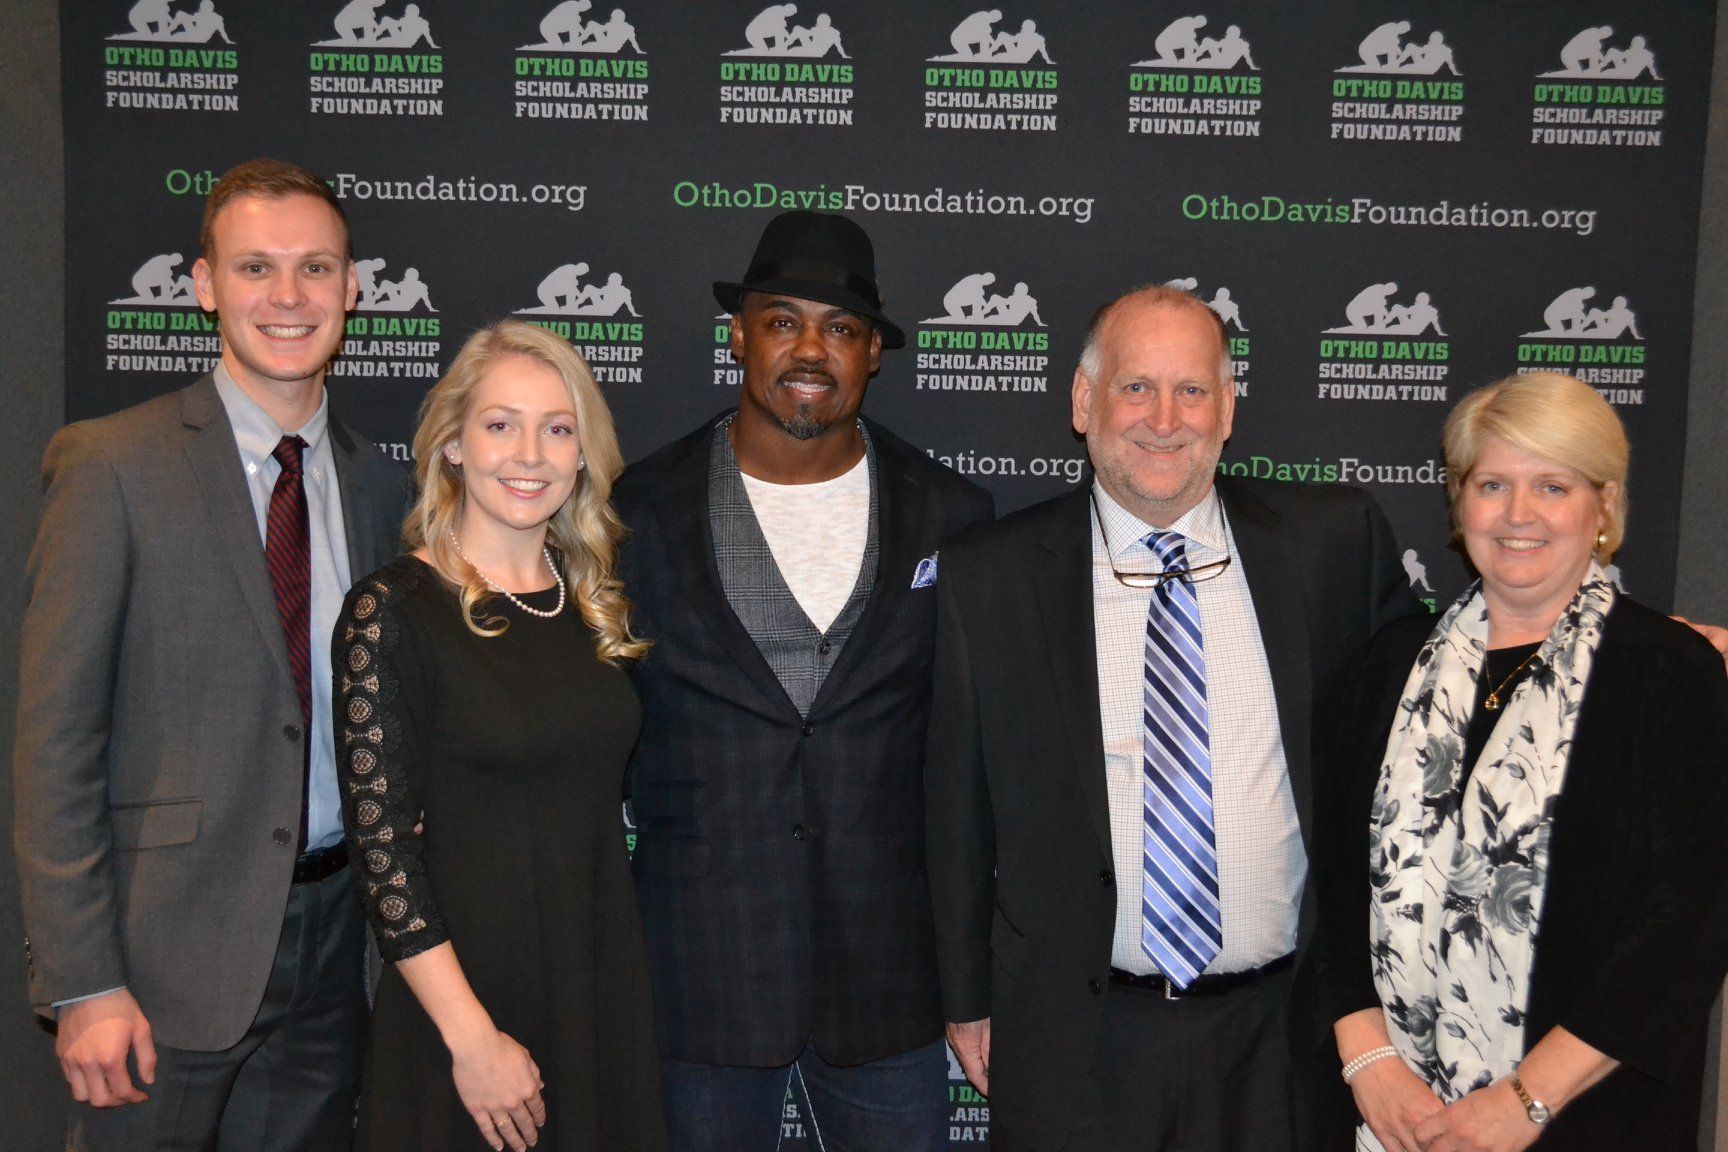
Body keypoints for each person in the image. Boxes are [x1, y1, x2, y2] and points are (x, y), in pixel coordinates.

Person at [925, 285, 1424, 1152]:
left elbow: (1447, 675)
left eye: (1193, 390)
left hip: (1283, 1034)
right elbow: (956, 808)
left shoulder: (1331, 543)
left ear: (1228, 408)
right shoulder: (991, 576)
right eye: (1135, 388)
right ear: (1084, 403)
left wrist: (1621, 642)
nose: (1166, 419)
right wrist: (966, 999)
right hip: (1077, 1041)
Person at [13, 158, 405, 1150]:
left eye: (315, 269)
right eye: (256, 268)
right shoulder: (112, 464)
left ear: (354, 290)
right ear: (203, 285)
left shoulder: (372, 487)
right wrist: (85, 979)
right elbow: (56, 743)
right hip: (160, 963)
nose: (287, 297)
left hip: (335, 955)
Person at [615, 210, 993, 1151]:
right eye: (783, 321)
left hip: (889, 982)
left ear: (873, 354)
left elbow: (972, 764)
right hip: (695, 974)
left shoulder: (954, 514)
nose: (810, 349)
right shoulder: (633, 513)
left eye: (841, 328)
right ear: (738, 336)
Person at [1318, 372, 1728, 1152]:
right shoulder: (1391, 668)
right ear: (1458, 503)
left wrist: (1524, 1102)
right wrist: (1369, 1059)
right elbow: (1334, 886)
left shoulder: (1667, 670)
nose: (1518, 515)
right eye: (1492, 484)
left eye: (1553, 485)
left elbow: (1688, 924)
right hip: (1394, 1119)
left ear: (1603, 506)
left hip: (1588, 1121)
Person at [335, 319, 666, 1152]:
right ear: (451, 443)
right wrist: (471, 1037)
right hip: (466, 1004)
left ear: (584, 454)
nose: (529, 454)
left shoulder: (595, 605)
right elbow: (383, 855)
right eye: (499, 425)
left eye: (558, 429)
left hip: (595, 984)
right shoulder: (392, 611)